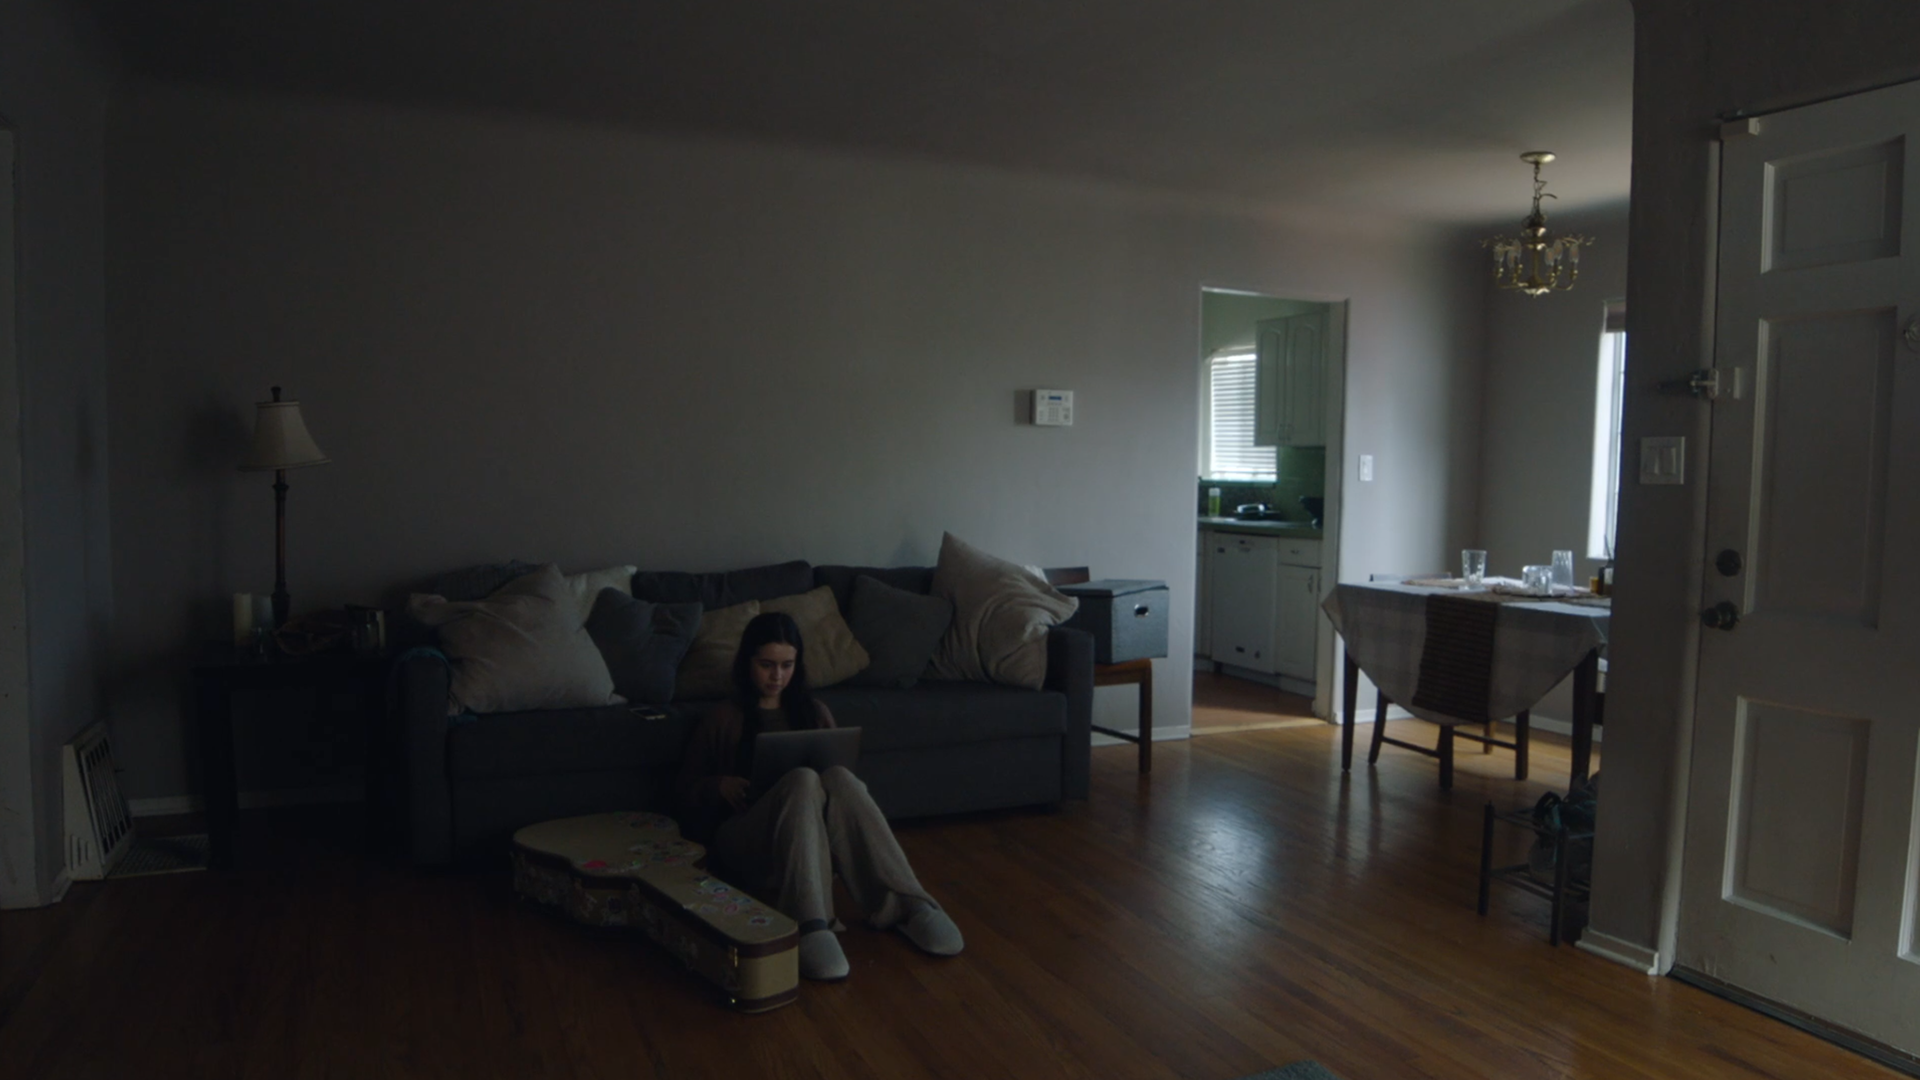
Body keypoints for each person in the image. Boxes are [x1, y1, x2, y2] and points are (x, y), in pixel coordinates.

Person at [676, 611, 964, 981]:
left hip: (807, 843)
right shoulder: (723, 717)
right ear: (747, 662)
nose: (777, 676)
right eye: (766, 665)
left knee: (839, 778)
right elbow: (682, 792)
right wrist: (718, 785)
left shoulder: (814, 712)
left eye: (787, 665)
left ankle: (909, 904)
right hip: (742, 839)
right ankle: (811, 923)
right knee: (801, 779)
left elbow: (842, 798)